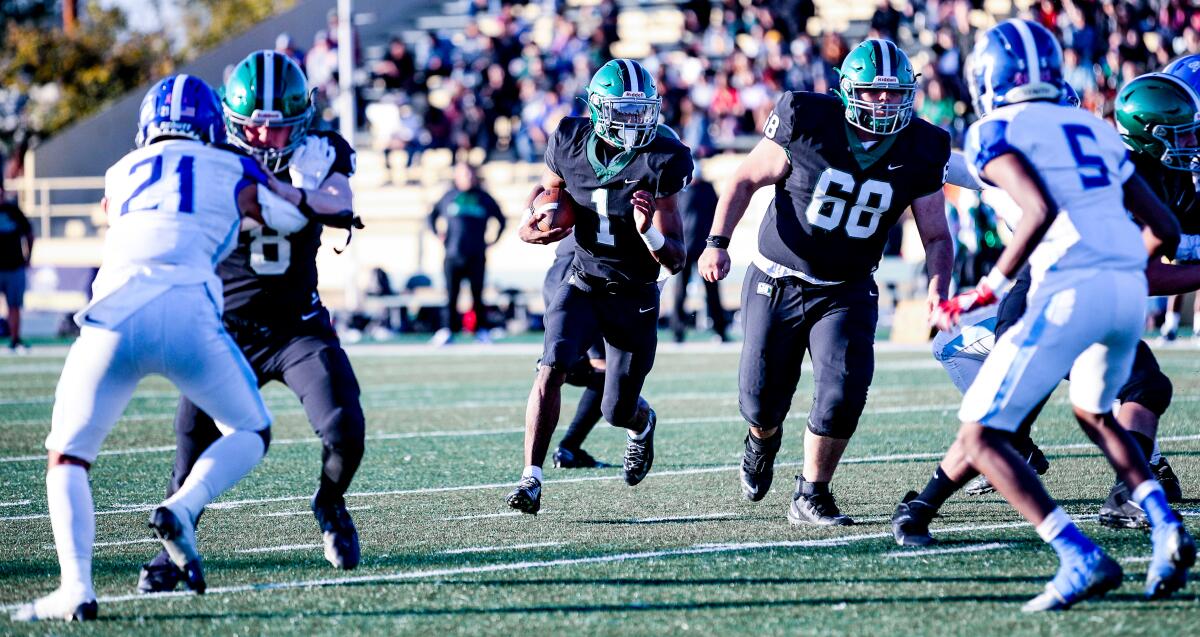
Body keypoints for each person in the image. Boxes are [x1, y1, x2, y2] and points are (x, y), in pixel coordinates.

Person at [905, 20, 1190, 611]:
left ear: (988, 77)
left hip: (1065, 288)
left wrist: (986, 287)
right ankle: (1166, 527)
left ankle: (1078, 554)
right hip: (1124, 294)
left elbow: (1035, 211)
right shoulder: (1092, 126)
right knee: (1097, 414)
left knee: (982, 437)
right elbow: (1164, 229)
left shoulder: (995, 128)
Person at [11, 74, 310, 622]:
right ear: (212, 125)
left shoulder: (121, 170)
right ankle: (184, 505)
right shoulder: (232, 164)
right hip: (188, 310)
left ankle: (75, 587)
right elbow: (286, 216)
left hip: (113, 312)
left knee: (68, 455)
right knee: (251, 431)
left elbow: (115, 211)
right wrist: (286, 195)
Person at [138, 51, 367, 594]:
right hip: (222, 328)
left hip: (297, 327)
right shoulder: (209, 153)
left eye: (277, 128)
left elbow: (340, 201)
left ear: (300, 119)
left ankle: (330, 505)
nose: (265, 140)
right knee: (190, 441)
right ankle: (171, 553)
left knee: (345, 428)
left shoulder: (321, 150)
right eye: (254, 129)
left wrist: (285, 194)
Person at [698, 38, 954, 524]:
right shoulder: (807, 119)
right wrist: (717, 241)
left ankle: (811, 492)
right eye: (874, 93)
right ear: (847, 90)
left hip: (847, 287)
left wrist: (938, 290)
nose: (884, 102)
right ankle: (761, 440)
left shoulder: (923, 146)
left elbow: (937, 235)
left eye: (895, 93)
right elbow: (745, 179)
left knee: (843, 391)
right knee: (760, 400)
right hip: (778, 277)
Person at [506, 59, 692, 514]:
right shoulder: (570, 137)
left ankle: (642, 422)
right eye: (624, 111)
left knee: (616, 409)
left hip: (634, 292)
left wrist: (649, 232)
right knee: (551, 364)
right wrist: (530, 224)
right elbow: (548, 194)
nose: (635, 121)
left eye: (641, 110)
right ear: (598, 109)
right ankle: (530, 478)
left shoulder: (664, 156)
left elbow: (677, 256)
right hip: (584, 278)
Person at [544, 234, 609, 469]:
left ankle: (544, 463)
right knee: (609, 372)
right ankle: (568, 449)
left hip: (558, 274)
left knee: (561, 362)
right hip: (584, 273)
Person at [428, 162, 507, 345]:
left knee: (477, 295)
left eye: (470, 174)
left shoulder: (484, 198)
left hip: (476, 255)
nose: (467, 178)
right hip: (453, 254)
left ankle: (482, 330)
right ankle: (447, 330)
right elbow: (431, 216)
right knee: (451, 295)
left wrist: (494, 239)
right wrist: (437, 233)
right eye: (463, 174)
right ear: (456, 176)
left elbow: (501, 219)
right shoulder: (449, 197)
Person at [670, 165, 727, 343]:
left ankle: (720, 329)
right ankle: (677, 331)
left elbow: (718, 214)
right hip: (684, 248)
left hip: (706, 248)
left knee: (712, 291)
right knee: (680, 291)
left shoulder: (708, 189)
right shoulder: (680, 190)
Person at [0, 175, 33, 353]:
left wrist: (29, 257)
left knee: (14, 305)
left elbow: (29, 234)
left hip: (13, 266)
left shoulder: (13, 211)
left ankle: (15, 339)